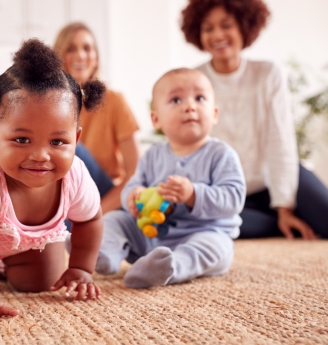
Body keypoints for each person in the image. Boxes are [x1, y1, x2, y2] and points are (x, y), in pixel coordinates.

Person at [180, 0, 328, 240]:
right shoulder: (193, 79)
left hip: (279, 177)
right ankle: (287, 220)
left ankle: (291, 214)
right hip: (232, 191)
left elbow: (279, 140)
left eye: (226, 25)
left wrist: (285, 206)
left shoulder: (267, 73)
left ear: (245, 26)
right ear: (197, 34)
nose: (217, 35)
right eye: (207, 28)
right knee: (219, 229)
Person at [0, 39, 106, 325]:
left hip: (29, 243)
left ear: (75, 139)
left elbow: (90, 220)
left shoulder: (76, 173)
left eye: (57, 141)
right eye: (22, 139)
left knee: (40, 282)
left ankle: (7, 263)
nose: (40, 155)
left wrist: (80, 268)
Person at [95, 68, 245, 289]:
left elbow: (234, 198)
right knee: (115, 220)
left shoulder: (221, 154)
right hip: (151, 234)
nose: (190, 106)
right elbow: (134, 184)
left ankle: (169, 267)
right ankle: (104, 253)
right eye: (176, 100)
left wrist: (193, 194)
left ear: (214, 113)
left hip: (203, 232)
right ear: (156, 119)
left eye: (200, 98)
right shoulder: (152, 155)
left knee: (215, 247)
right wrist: (132, 197)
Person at [54, 23, 140, 213]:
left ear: (96, 58)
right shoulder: (49, 105)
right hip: (66, 197)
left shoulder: (114, 101)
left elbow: (135, 173)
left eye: (87, 48)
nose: (81, 55)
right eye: (71, 48)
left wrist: (96, 213)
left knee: (71, 147)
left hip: (105, 194)